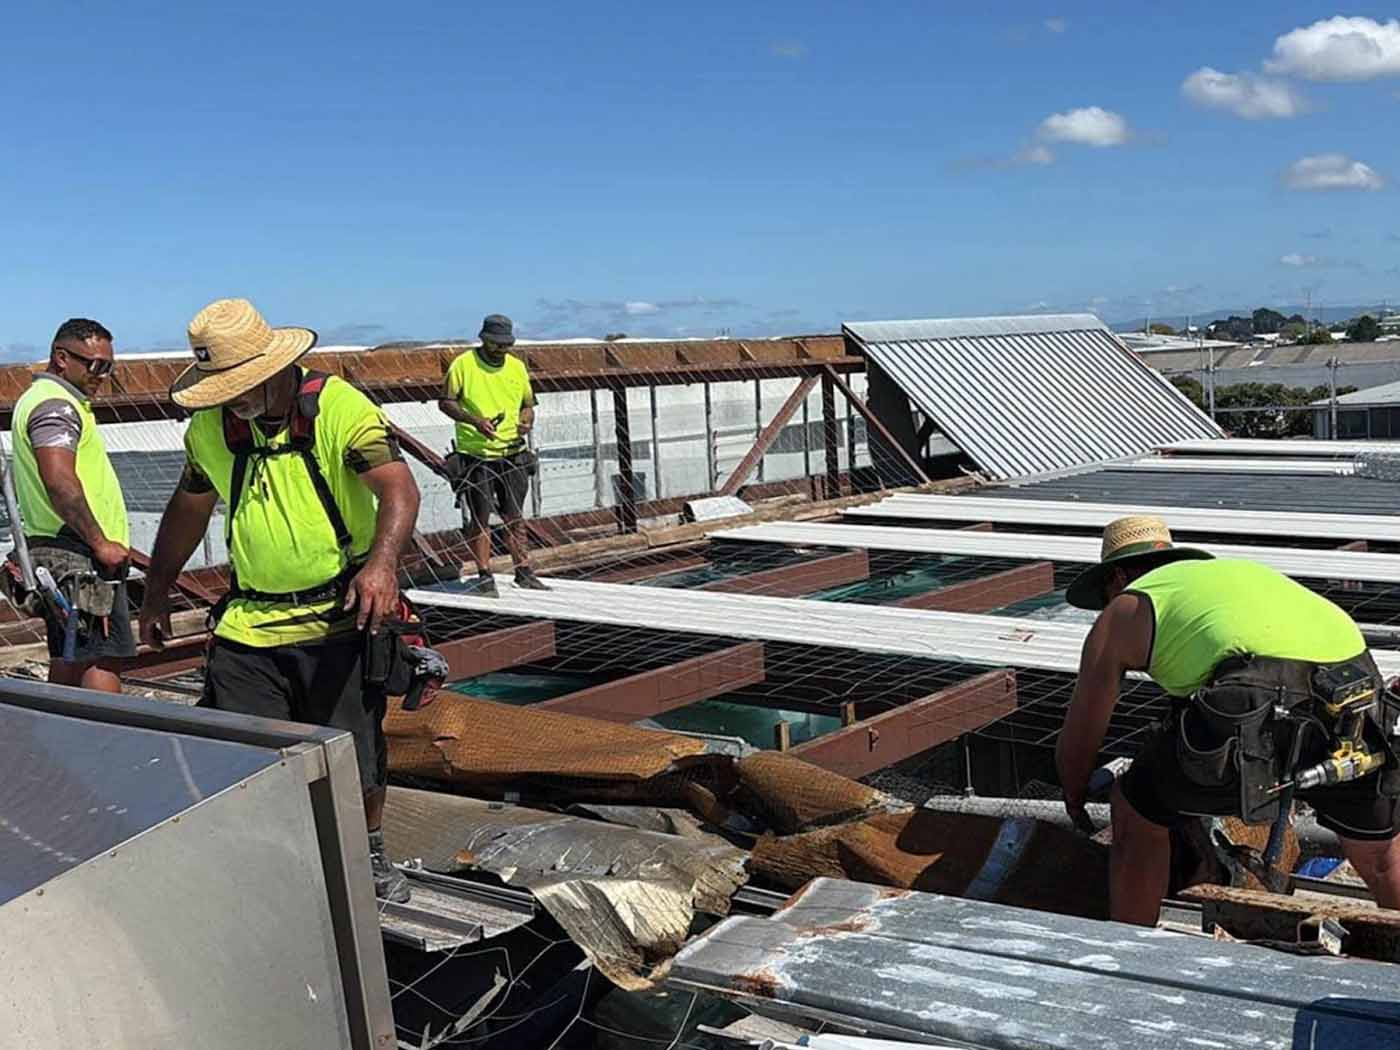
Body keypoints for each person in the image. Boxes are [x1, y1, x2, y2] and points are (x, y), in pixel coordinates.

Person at [137, 298, 421, 902]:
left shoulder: (338, 410)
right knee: (247, 753)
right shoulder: (210, 428)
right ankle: (275, 860)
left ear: (275, 369)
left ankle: (367, 853)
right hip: (249, 624)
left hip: (337, 617)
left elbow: (398, 489)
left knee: (354, 752)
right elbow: (189, 508)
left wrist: (381, 565)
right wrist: (156, 593)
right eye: (221, 388)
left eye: (239, 387)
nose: (230, 399)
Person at [1057, 515, 1400, 924]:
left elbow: (1081, 735)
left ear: (1115, 580)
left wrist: (1075, 794)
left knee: (1135, 808)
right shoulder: (1230, 577)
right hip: (1356, 686)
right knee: (1381, 854)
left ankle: (1130, 949)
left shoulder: (1126, 607)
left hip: (1259, 692)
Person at [10, 318, 132, 691]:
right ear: (62, 358)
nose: (102, 375)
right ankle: (110, 746)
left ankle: (61, 739)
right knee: (100, 657)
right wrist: (100, 543)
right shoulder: (56, 406)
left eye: (108, 367)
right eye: (95, 365)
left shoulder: (39, 400)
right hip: (81, 555)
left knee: (69, 654)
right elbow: (60, 480)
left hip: (56, 551)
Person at [437, 313, 548, 596]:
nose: (502, 348)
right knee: (480, 518)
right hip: (476, 455)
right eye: (496, 343)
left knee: (515, 515)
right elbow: (446, 403)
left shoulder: (517, 367)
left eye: (506, 344)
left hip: (513, 452)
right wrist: (475, 422)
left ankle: (523, 571)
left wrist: (527, 421)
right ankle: (485, 575)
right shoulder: (463, 365)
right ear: (484, 339)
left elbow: (528, 404)